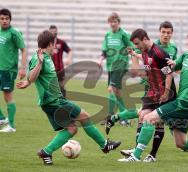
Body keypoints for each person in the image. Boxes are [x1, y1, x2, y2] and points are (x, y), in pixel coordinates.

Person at [118, 31, 188, 162]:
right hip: (181, 102)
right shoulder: (186, 56)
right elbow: (172, 65)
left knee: (148, 118)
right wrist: (170, 63)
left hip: (186, 103)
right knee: (181, 143)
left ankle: (136, 156)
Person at [16, 30, 121, 165]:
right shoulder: (39, 58)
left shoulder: (45, 57)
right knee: (84, 116)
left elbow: (33, 78)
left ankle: (46, 152)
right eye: (54, 44)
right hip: (53, 101)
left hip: (54, 100)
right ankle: (104, 145)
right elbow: (31, 75)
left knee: (72, 129)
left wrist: (29, 82)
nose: (55, 47)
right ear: (49, 44)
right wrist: (36, 69)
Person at [105, 28, 176, 162]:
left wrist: (166, 93)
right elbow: (144, 58)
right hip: (152, 91)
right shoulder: (145, 51)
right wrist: (134, 53)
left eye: (137, 44)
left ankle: (143, 155)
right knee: (142, 115)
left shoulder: (159, 53)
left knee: (154, 122)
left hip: (163, 93)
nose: (136, 47)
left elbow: (169, 74)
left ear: (144, 39)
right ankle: (137, 152)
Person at [98, 12, 134, 125]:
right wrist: (100, 60)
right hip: (111, 66)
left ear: (119, 22)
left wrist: (133, 59)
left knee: (111, 89)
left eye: (115, 21)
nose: (113, 24)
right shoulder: (108, 35)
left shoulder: (123, 34)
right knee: (117, 92)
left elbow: (131, 47)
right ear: (109, 23)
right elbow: (104, 51)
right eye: (111, 22)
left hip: (120, 65)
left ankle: (122, 115)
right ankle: (123, 117)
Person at [0, 8, 27, 132]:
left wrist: (23, 68)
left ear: (10, 20)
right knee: (6, 95)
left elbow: (23, 49)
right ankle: (1, 118)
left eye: (6, 19)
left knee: (7, 95)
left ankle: (11, 126)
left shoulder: (14, 33)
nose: (4, 21)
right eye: (2, 19)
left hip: (8, 70)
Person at [49, 25, 72, 97]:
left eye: (55, 32)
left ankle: (64, 103)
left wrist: (69, 59)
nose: (53, 33)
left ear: (57, 32)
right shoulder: (47, 43)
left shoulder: (61, 42)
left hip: (60, 69)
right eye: (51, 32)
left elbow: (69, 51)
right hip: (50, 70)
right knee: (50, 88)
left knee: (62, 88)